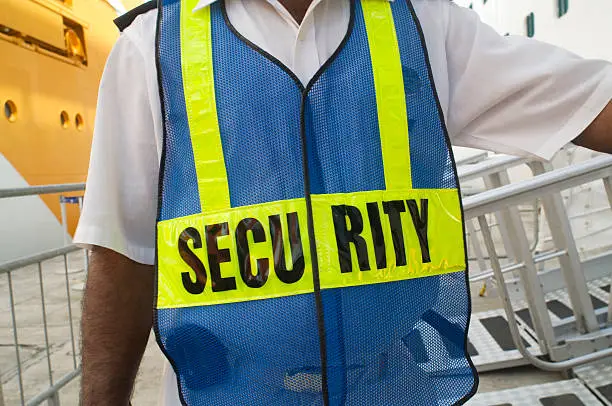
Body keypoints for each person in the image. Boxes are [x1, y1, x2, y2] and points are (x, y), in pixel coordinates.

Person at [76, 0, 612, 405]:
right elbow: (122, 254)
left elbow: (590, 101)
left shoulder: (420, 21)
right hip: (233, 391)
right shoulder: (153, 42)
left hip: (397, 383)